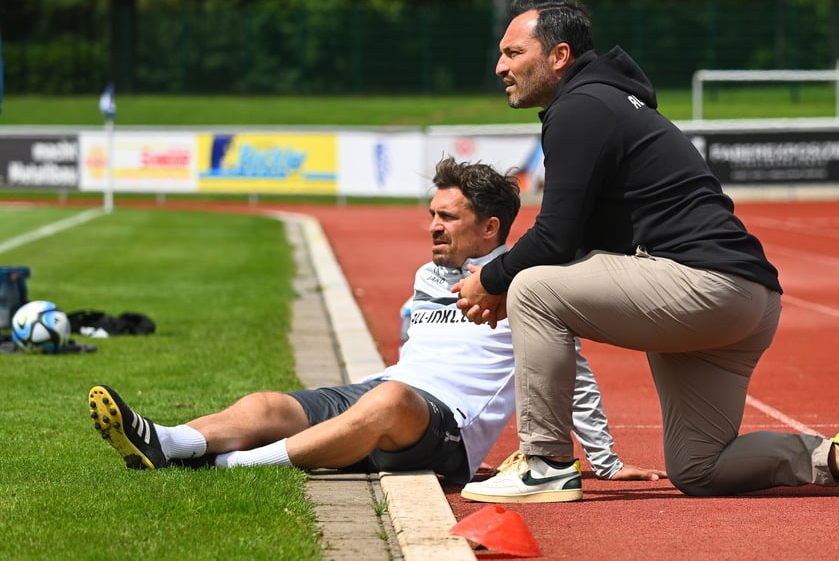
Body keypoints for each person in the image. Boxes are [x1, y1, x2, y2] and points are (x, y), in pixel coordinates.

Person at [453, 0, 839, 503]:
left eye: (513, 53)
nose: (499, 67)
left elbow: (552, 238)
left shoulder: (580, 108)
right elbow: (578, 242)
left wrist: (491, 278)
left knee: (531, 288)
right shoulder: (606, 101)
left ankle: (546, 463)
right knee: (699, 468)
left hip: (703, 286)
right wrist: (505, 281)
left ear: (558, 56)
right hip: (747, 299)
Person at [88, 157, 665, 485]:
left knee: (388, 401)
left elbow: (575, 373)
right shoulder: (426, 276)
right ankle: (165, 441)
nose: (433, 227)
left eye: (448, 218)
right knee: (267, 404)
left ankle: (231, 465)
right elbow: (415, 344)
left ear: (490, 229)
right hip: (387, 394)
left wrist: (607, 463)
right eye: (431, 216)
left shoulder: (528, 286)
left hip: (443, 431)